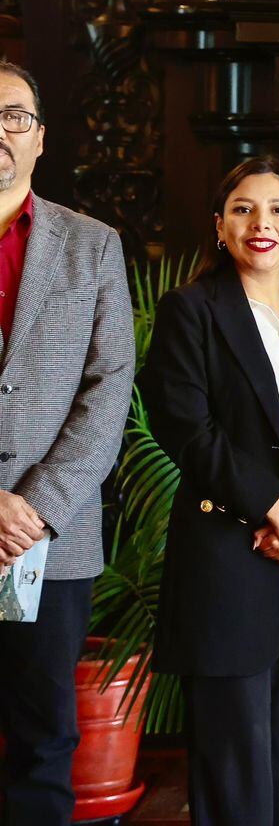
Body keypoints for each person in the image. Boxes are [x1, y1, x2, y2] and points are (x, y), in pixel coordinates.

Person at [140, 155, 279, 826]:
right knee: (232, 773)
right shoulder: (191, 312)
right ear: (220, 226)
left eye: (278, 210)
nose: (260, 222)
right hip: (226, 562)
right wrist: (272, 508)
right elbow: (187, 427)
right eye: (242, 208)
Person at [0, 61, 135, 825]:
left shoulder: (92, 246)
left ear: (40, 139)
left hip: (46, 544)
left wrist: (33, 508)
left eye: (14, 117)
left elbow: (109, 390)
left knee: (43, 743)